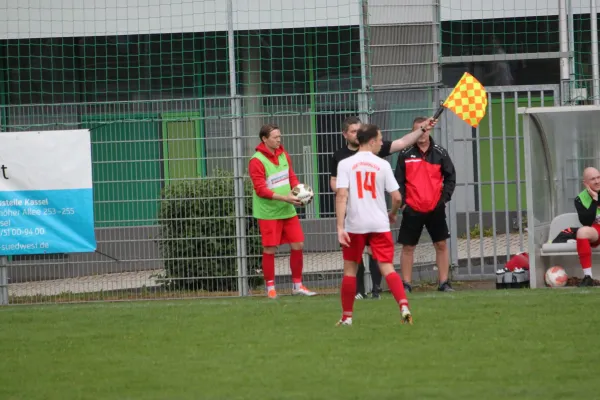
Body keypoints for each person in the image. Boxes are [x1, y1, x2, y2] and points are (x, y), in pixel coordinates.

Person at [330, 116, 437, 299]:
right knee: (356, 258)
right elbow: (335, 184)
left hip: (372, 214)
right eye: (353, 131)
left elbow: (403, 142)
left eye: (359, 130)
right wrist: (348, 190)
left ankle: (375, 290)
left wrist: (421, 130)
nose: (356, 134)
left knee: (373, 254)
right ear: (345, 134)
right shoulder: (341, 158)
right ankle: (361, 292)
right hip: (354, 213)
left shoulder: (376, 150)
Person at [335, 124, 412, 326]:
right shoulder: (382, 165)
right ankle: (404, 307)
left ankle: (347, 317)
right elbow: (396, 197)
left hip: (355, 224)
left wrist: (340, 227)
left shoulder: (345, 164)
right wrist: (393, 214)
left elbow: (342, 195)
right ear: (370, 141)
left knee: (350, 269)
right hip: (379, 223)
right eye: (379, 139)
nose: (381, 143)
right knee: (387, 267)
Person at [248, 123, 317, 299]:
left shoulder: (284, 154)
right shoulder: (256, 160)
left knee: (298, 244)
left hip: (287, 209)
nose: (279, 140)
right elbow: (260, 190)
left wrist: (300, 193)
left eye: (280, 136)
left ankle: (297, 285)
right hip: (268, 212)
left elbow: (291, 176)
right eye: (275, 137)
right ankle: (270, 288)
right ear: (264, 139)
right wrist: (285, 198)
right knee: (270, 248)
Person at [395, 116, 456, 293]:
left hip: (435, 208)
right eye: (418, 129)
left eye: (425, 128)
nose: (422, 133)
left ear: (430, 130)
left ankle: (444, 283)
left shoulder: (440, 153)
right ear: (412, 132)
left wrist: (443, 199)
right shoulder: (405, 154)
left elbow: (451, 177)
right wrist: (404, 203)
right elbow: (398, 181)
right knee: (408, 247)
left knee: (441, 245)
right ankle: (406, 284)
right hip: (412, 208)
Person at [574, 166, 600, 287]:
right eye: (593, 179)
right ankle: (588, 276)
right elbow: (587, 222)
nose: (597, 181)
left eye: (599, 177)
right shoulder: (580, 199)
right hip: (596, 230)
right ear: (585, 183)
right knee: (582, 232)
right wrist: (594, 200)